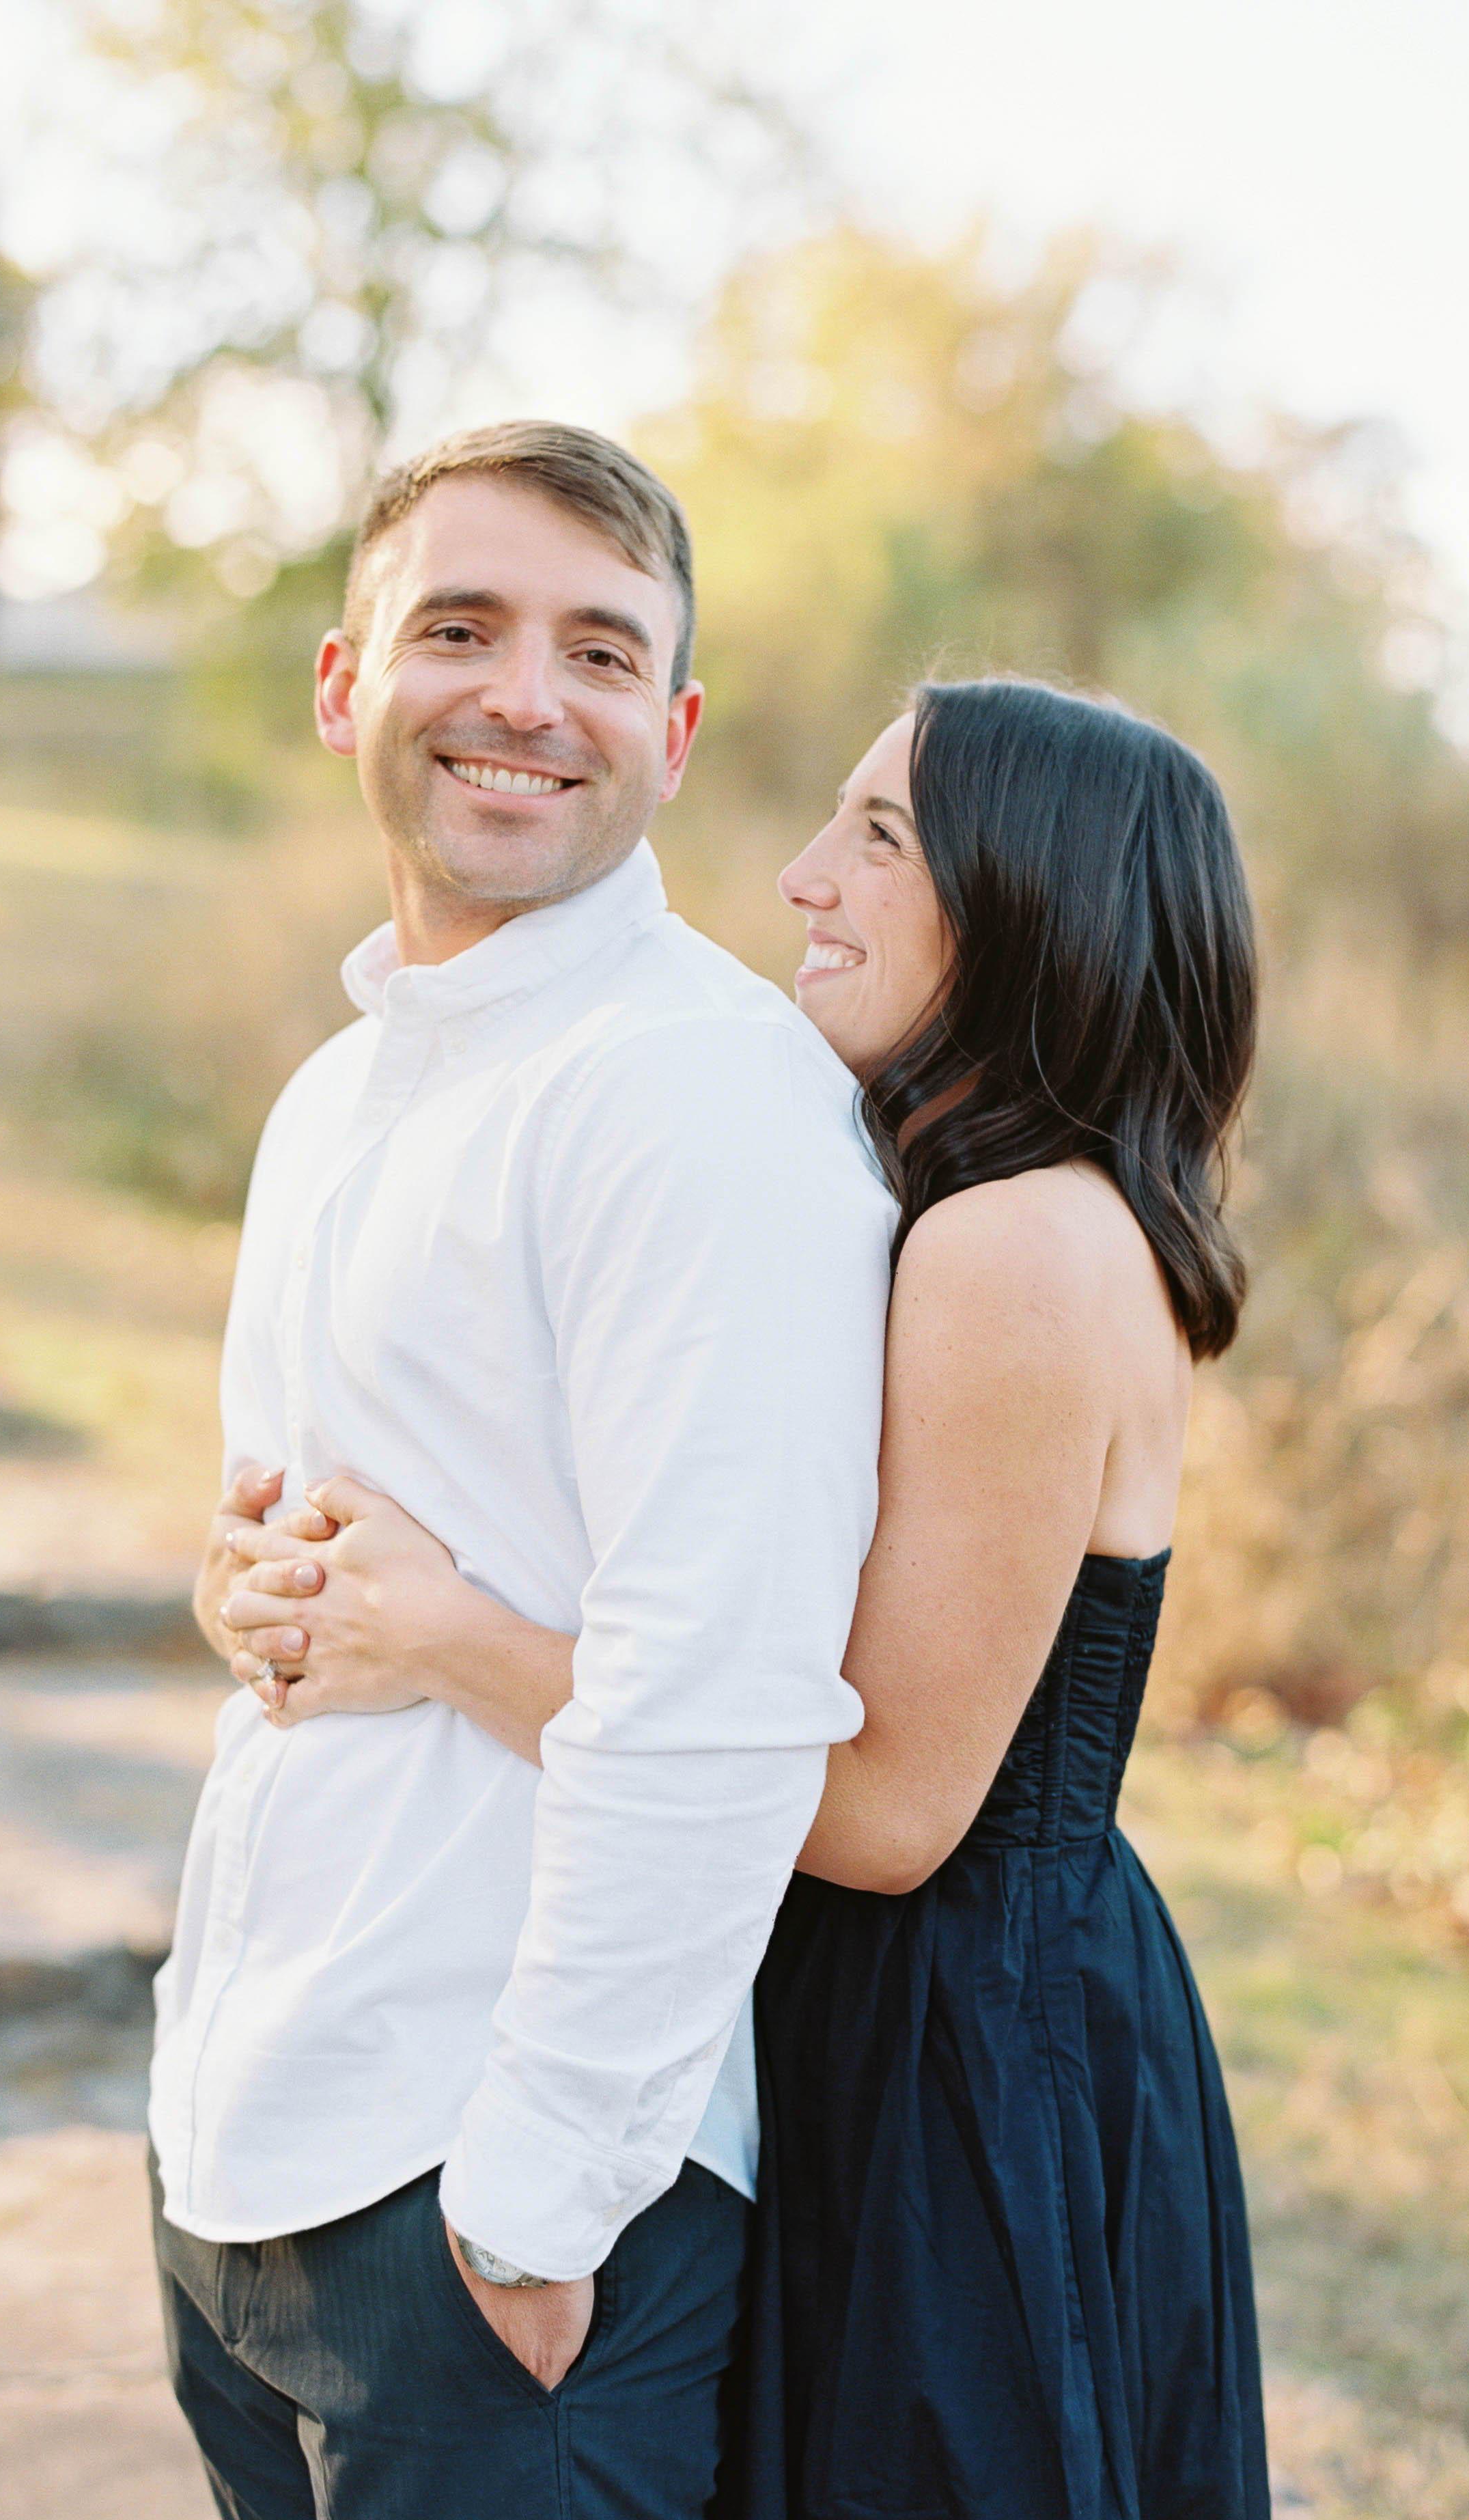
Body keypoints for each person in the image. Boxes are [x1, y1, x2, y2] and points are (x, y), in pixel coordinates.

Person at [217, 676, 1275, 2517]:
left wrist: (441, 1636)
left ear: (1026, 899)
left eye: (876, 835)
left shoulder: (1012, 1248)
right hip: (937, 2007)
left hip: (954, 2047)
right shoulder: (990, 1207)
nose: (799, 878)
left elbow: (884, 1813)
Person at [149, 419, 899, 2520]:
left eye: (594, 651)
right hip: (246, 2131)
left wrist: (541, 2205)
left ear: (666, 728)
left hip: (488, 2193)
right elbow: (298, 1528)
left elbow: (724, 1692)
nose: (519, 695)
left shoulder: (691, 1094)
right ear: (341, 683)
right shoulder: (334, 1095)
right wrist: (248, 1594)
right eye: (458, 626)